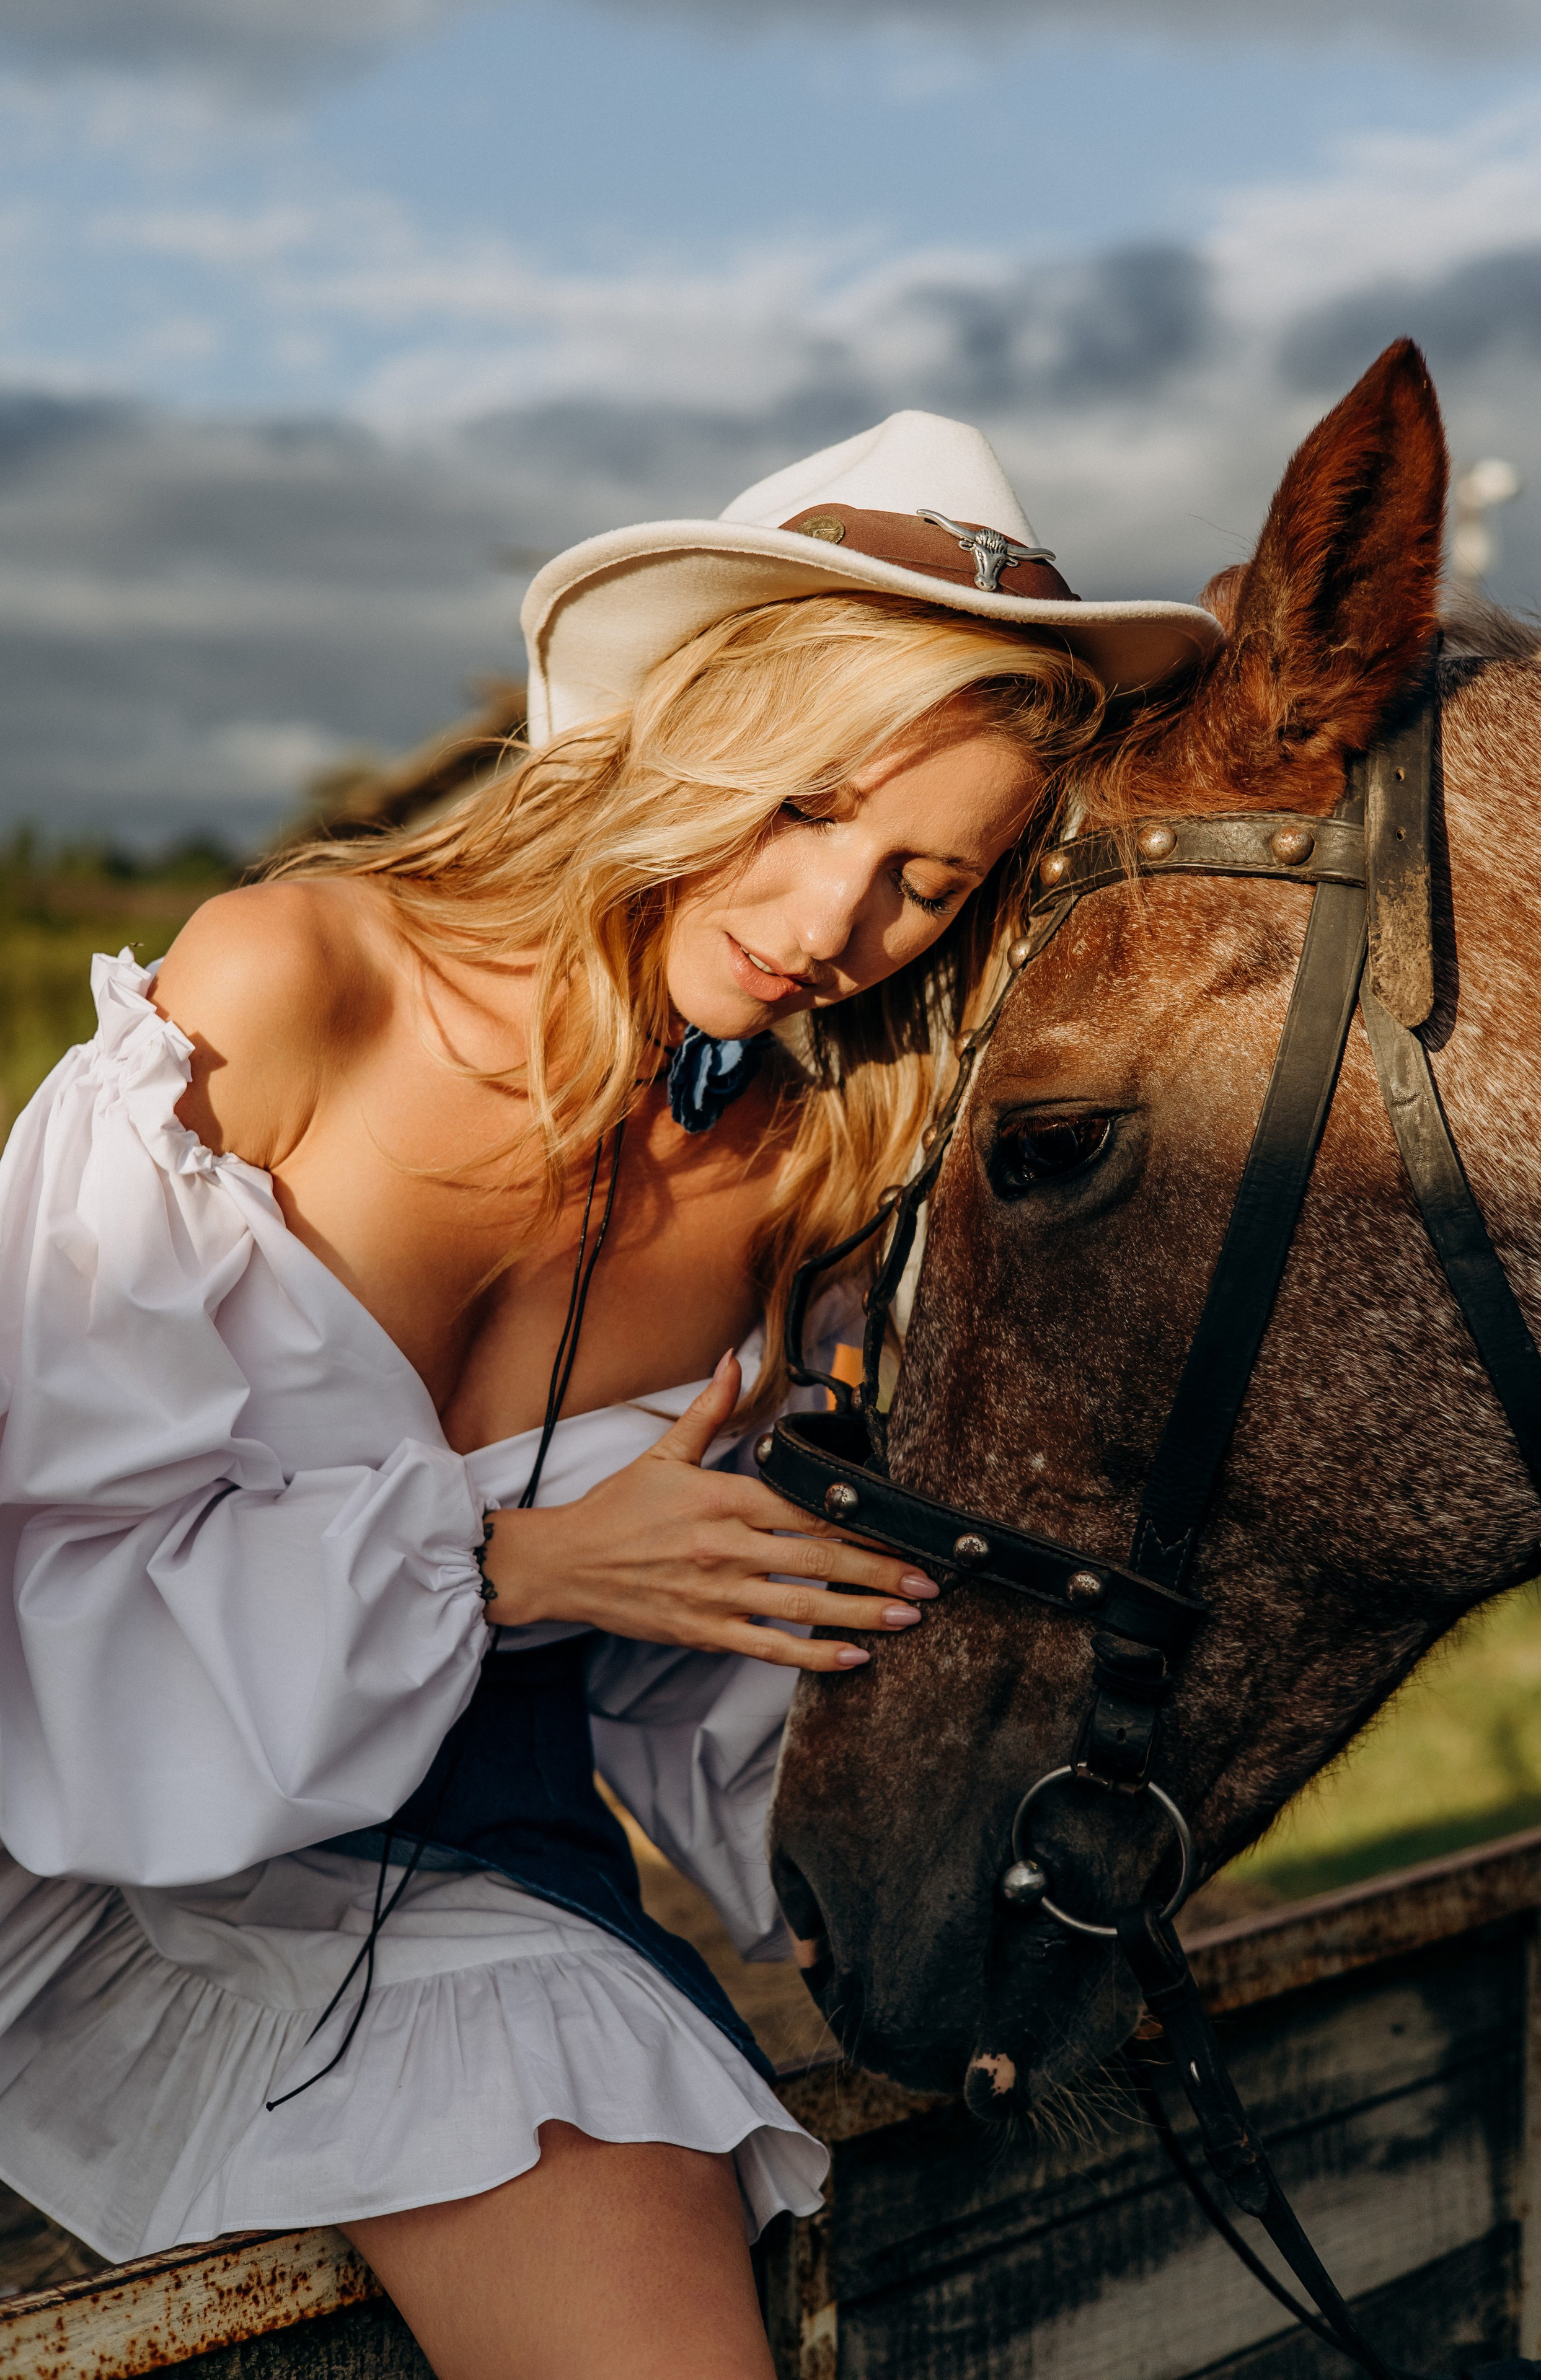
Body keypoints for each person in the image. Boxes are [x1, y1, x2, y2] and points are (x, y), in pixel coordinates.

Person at [0, 410, 1217, 2379]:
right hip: (44, 1828)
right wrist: (519, 1563)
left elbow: (720, 1674)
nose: (833, 927)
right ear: (689, 729)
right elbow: (40, 1573)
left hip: (456, 1898)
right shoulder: (294, 987)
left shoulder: (803, 1178)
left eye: (924, 878)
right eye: (807, 805)